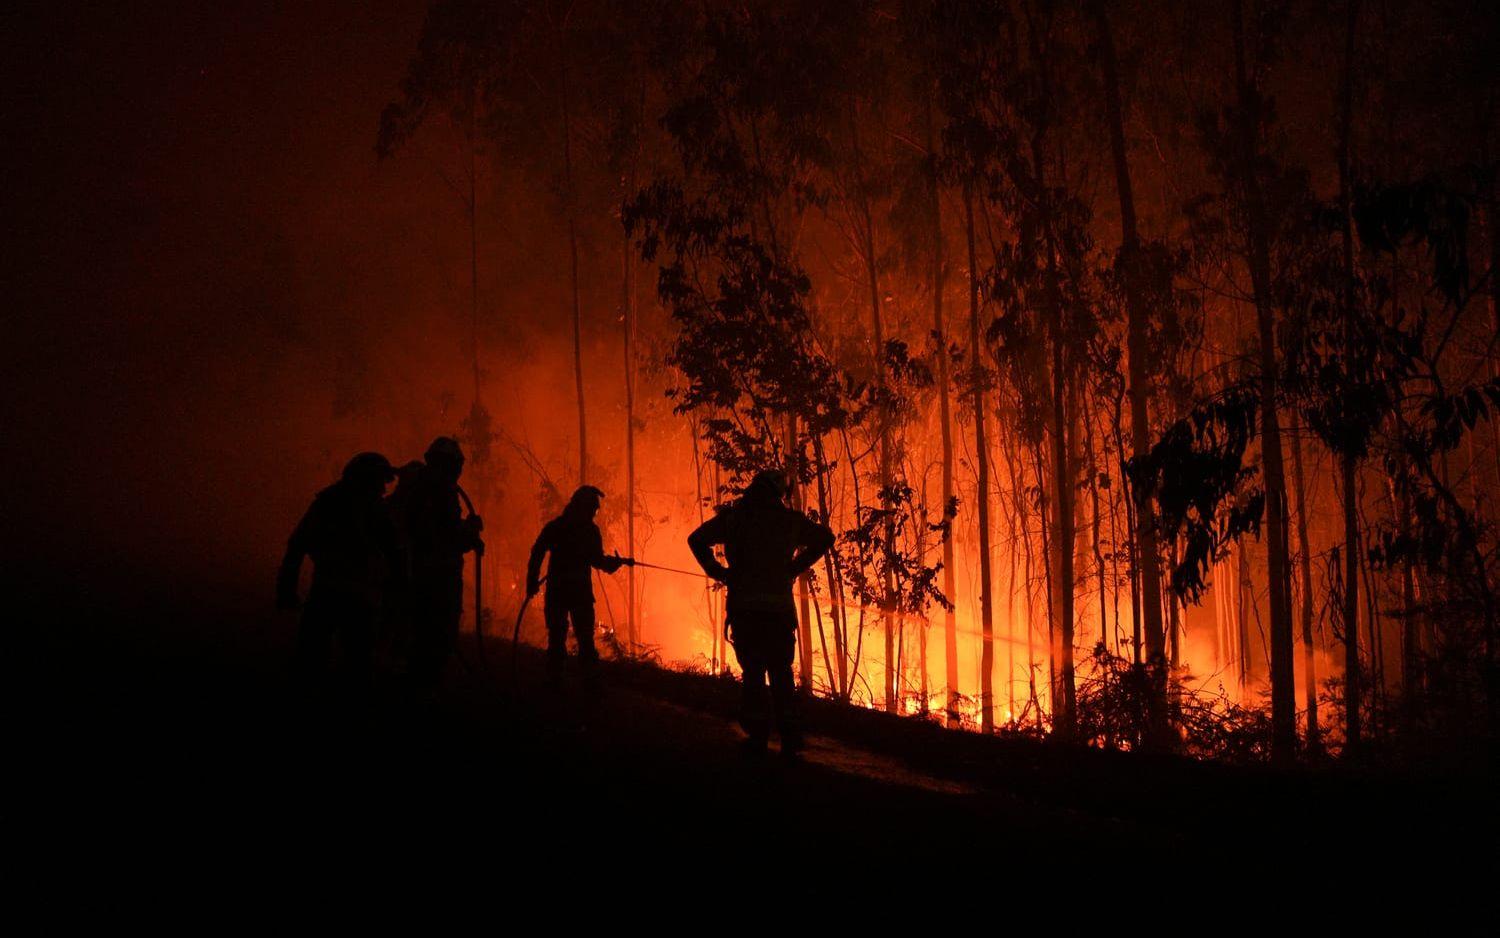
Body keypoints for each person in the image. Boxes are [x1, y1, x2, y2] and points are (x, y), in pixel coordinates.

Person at [687, 469, 833, 756]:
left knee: (753, 673)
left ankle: (757, 737)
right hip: (778, 615)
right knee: (781, 674)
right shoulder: (788, 522)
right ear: (779, 493)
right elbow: (825, 538)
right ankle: (790, 737)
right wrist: (794, 567)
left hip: (746, 613)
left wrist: (717, 571)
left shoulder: (735, 519)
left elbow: (696, 539)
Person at [277, 452, 399, 711]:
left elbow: (297, 545)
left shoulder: (330, 501)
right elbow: (395, 553)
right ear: (369, 480)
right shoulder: (371, 508)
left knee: (315, 657)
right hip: (355, 598)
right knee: (355, 664)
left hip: (329, 593)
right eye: (380, 482)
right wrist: (398, 591)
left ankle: (310, 704)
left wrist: (286, 589)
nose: (382, 488)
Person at [397, 436, 484, 696]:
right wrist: (470, 532)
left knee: (420, 636)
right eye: (456, 465)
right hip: (436, 579)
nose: (458, 471)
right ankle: (422, 694)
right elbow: (444, 537)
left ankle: (414, 689)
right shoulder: (438, 493)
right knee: (435, 638)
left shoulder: (419, 488)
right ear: (447, 464)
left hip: (420, 575)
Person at [526, 485, 629, 682]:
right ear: (582, 506)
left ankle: (565, 684)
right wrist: (613, 564)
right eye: (592, 508)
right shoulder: (585, 531)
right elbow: (597, 561)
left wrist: (532, 580)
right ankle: (573, 685)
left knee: (569, 639)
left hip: (563, 592)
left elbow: (538, 552)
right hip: (575, 593)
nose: (594, 512)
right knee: (574, 640)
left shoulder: (560, 527)